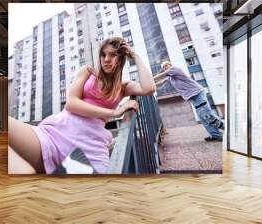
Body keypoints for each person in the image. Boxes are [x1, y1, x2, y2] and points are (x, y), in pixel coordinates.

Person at [9, 37, 156, 174]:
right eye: (103, 55)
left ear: (120, 58)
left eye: (112, 55)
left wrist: (135, 56)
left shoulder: (123, 87)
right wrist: (114, 113)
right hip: (58, 133)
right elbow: (71, 104)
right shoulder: (87, 72)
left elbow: (149, 88)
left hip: (89, 145)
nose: (106, 59)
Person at [154, 61, 224, 142]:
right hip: (193, 97)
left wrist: (150, 79)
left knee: (208, 115)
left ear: (170, 65)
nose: (165, 68)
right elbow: (161, 82)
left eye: (166, 65)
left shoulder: (175, 69)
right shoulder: (170, 78)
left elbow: (161, 75)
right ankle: (216, 135)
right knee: (203, 118)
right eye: (163, 67)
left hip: (198, 94)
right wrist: (150, 84)